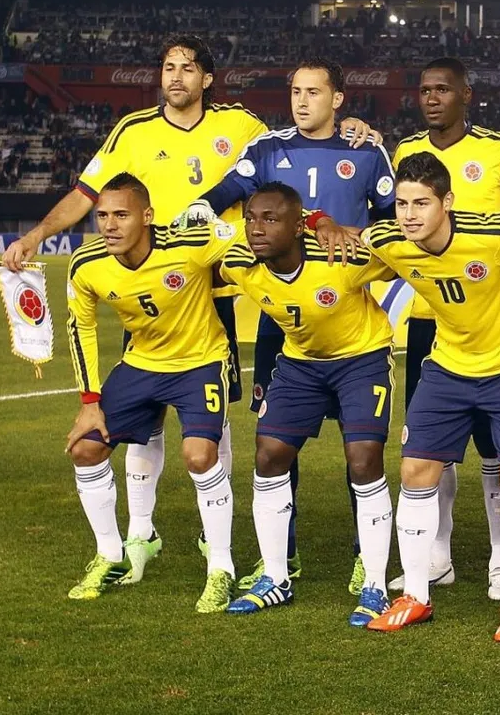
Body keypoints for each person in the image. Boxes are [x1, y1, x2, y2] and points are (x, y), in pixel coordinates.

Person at [3, 35, 375, 583]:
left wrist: (358, 132)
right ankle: (139, 532)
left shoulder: (241, 124)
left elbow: (297, 136)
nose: (174, 77)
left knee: (217, 414)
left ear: (207, 78)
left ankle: (217, 537)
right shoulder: (132, 132)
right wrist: (37, 233)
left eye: (187, 68)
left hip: (219, 288)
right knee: (144, 417)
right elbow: (86, 194)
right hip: (152, 288)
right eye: (168, 67)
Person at [179, 56, 393, 596]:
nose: (302, 101)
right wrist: (193, 220)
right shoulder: (268, 149)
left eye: (314, 92)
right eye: (296, 91)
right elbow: (220, 198)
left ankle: (364, 559)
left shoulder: (365, 150)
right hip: (282, 321)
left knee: (359, 446)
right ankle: (285, 555)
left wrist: (355, 237)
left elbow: (396, 219)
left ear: (338, 98)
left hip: (345, 309)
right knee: (276, 443)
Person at [360, 153, 500, 643]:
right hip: (448, 368)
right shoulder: (390, 241)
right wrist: (326, 224)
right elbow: (352, 242)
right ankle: (417, 596)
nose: (409, 214)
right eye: (401, 203)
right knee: (414, 471)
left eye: (422, 203)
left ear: (447, 202)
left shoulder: (494, 233)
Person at [216, 183, 397, 626]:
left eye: (270, 220)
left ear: (298, 228)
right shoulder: (239, 263)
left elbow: (398, 260)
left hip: (362, 360)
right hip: (301, 363)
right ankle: (275, 576)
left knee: (363, 459)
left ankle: (375, 583)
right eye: (251, 219)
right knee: (269, 454)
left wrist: (327, 223)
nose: (256, 229)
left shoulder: (342, 258)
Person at [63, 173, 241, 613]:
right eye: (102, 215)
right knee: (86, 449)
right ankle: (109, 554)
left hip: (200, 360)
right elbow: (80, 326)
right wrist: (89, 402)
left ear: (147, 216)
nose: (109, 225)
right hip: (142, 362)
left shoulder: (190, 243)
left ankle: (221, 567)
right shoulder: (87, 265)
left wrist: (316, 221)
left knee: (200, 456)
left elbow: (254, 234)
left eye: (121, 215)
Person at [389, 58, 500, 600]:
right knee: (430, 449)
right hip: (432, 323)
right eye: (424, 90)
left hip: (493, 322)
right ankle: (436, 556)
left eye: (443, 88)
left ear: (467, 93)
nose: (432, 97)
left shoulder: (499, 150)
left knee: (497, 450)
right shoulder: (404, 152)